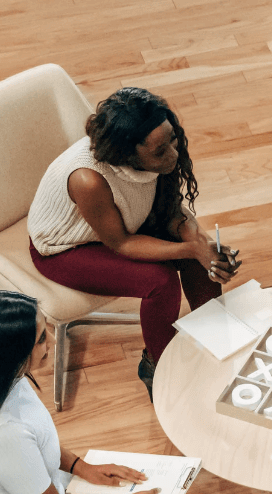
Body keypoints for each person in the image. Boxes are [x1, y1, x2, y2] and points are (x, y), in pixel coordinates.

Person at [27, 87, 242, 399]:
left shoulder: (157, 153)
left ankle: (216, 337)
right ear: (127, 154)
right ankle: (159, 366)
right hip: (65, 248)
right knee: (160, 282)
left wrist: (203, 246)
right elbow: (121, 243)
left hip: (123, 224)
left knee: (199, 252)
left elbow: (168, 210)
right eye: (160, 151)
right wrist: (191, 247)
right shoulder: (88, 179)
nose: (174, 152)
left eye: (173, 137)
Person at [0, 291, 180, 494]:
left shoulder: (12, 380)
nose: (54, 343)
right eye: (43, 339)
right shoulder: (7, 433)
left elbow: (38, 443)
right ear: (13, 353)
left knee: (149, 493)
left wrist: (81, 466)